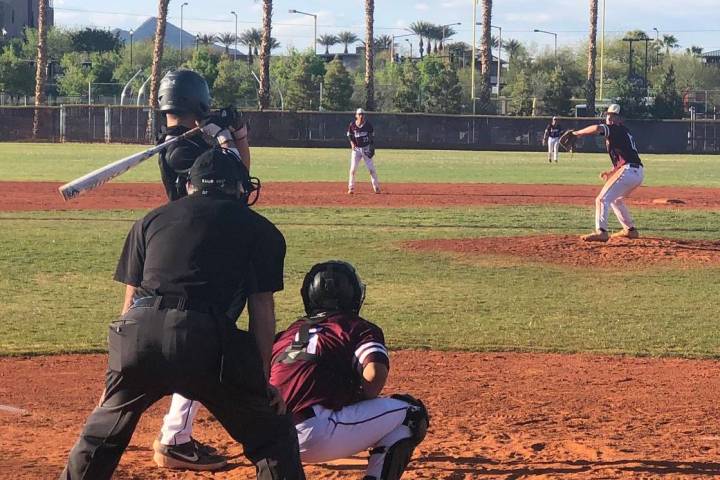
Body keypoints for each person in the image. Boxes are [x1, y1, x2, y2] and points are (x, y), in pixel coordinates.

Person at [59, 149, 305, 480]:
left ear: (189, 185)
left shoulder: (150, 219)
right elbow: (261, 310)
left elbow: (128, 309)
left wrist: (115, 379)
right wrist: (262, 381)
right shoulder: (261, 230)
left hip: (138, 335)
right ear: (238, 188)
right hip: (204, 338)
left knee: (100, 439)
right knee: (273, 439)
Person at [150, 69, 269, 471]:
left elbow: (242, 181)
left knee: (199, 345)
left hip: (203, 249)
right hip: (205, 256)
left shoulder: (189, 142)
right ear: (197, 101)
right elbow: (231, 175)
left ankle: (173, 433)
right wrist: (220, 136)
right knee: (202, 345)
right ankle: (174, 438)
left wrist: (237, 132)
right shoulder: (179, 151)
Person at [270, 261, 429, 480]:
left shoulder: (288, 332)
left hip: (270, 438)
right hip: (316, 433)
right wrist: (360, 399)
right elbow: (374, 373)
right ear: (354, 295)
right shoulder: (357, 327)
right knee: (412, 414)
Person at [156, 69, 251, 201]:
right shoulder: (180, 153)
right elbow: (234, 178)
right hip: (202, 218)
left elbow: (243, 177)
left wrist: (240, 136)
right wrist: (223, 136)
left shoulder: (188, 141)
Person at [565, 104, 644, 242]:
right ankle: (630, 230)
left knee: (601, 199)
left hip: (629, 170)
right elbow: (625, 157)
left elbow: (596, 128)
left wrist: (576, 133)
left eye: (614, 115)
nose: (610, 118)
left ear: (621, 119)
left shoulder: (615, 129)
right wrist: (612, 172)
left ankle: (601, 232)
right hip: (636, 172)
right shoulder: (623, 131)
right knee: (615, 200)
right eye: (608, 115)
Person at [347, 108, 382, 194]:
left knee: (371, 170)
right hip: (356, 150)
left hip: (366, 148)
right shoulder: (352, 125)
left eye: (362, 114)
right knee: (353, 169)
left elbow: (372, 136)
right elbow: (349, 135)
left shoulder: (368, 125)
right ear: (356, 116)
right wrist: (352, 143)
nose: (361, 116)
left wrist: (371, 146)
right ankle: (351, 188)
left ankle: (376, 187)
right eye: (359, 114)